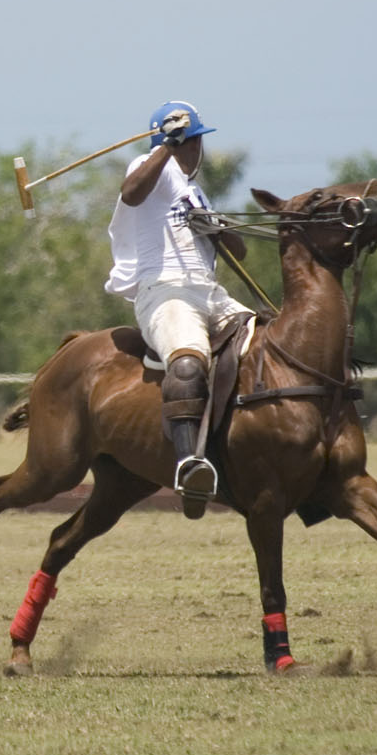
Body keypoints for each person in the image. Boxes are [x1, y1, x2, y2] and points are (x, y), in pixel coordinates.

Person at [106, 101, 255, 518]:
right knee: (188, 363)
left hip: (210, 292)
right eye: (187, 143)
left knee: (265, 344)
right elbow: (131, 194)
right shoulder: (151, 166)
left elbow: (238, 252)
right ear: (169, 142)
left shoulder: (196, 192)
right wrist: (165, 147)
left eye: (196, 144)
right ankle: (190, 466)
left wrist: (217, 226)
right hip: (164, 290)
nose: (194, 151)